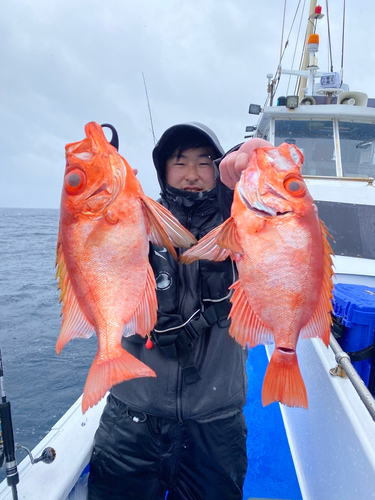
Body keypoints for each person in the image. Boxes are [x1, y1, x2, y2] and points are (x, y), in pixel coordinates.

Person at [87, 123, 271, 500]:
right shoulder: (135, 217)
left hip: (215, 424)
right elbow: (91, 245)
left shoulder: (240, 223)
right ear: (162, 171)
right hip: (132, 417)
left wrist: (247, 158)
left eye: (205, 163)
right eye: (179, 162)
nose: (191, 174)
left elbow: (272, 203)